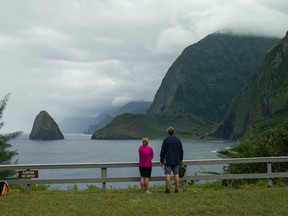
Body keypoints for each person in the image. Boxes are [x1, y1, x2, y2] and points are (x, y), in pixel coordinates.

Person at [160, 126, 183, 193]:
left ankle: (167, 189)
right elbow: (181, 151)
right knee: (176, 174)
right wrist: (181, 160)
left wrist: (161, 160)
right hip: (176, 161)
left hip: (168, 161)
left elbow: (162, 152)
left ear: (168, 132)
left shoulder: (165, 140)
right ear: (174, 132)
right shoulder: (178, 140)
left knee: (167, 174)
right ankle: (176, 189)